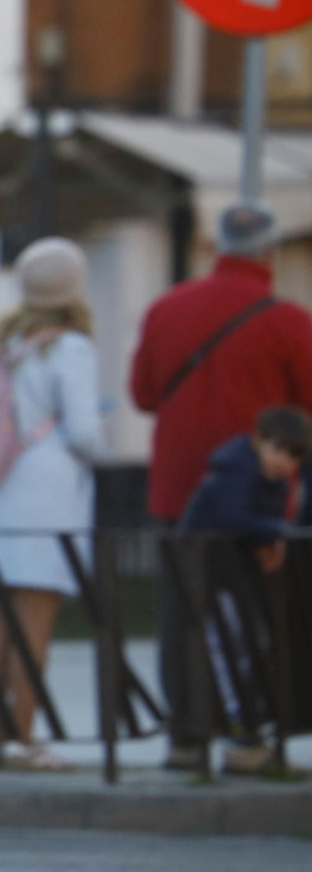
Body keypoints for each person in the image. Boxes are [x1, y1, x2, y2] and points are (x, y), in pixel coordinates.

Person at [129, 203, 312, 770]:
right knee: (254, 619)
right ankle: (248, 739)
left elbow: (143, 395)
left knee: (183, 615)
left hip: (178, 496)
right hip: (254, 504)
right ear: (270, 254)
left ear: (216, 248)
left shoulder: (165, 309)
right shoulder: (289, 322)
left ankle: (186, 736)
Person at [0, 237, 104, 772]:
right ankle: (23, 738)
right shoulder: (70, 348)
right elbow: (85, 432)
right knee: (34, 623)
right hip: (42, 505)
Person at [180, 405, 310, 775]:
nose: (283, 461)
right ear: (257, 441)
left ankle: (243, 720)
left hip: (231, 573)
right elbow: (233, 518)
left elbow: (261, 521)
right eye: (278, 450)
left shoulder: (269, 477)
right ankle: (236, 723)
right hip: (210, 572)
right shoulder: (237, 470)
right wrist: (274, 533)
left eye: (292, 455)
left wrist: (271, 537)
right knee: (227, 648)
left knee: (245, 644)